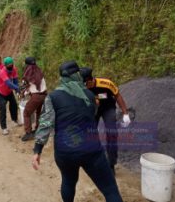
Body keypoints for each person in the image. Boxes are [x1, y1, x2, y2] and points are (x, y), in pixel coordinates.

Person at [32, 61, 123, 202]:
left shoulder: (53, 97)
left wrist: (38, 150)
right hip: (92, 150)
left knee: (68, 182)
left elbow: (45, 123)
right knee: (110, 190)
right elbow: (93, 113)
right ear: (77, 75)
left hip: (65, 152)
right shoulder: (90, 96)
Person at [80, 67, 131, 175]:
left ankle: (111, 164)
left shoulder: (106, 83)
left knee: (112, 133)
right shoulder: (81, 87)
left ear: (90, 80)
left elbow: (117, 95)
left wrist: (125, 113)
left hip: (108, 108)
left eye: (85, 84)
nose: (83, 86)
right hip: (93, 110)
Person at [21, 57, 47, 142]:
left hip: (36, 96)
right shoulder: (39, 72)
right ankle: (37, 130)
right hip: (44, 95)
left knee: (26, 112)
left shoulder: (29, 73)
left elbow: (25, 86)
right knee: (39, 113)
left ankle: (28, 133)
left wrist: (22, 93)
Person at [0, 57, 20, 135]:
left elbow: (15, 80)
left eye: (12, 64)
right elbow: (8, 83)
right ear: (6, 65)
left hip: (9, 91)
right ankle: (4, 128)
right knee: (3, 109)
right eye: (9, 64)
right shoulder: (3, 72)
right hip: (1, 92)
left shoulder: (14, 69)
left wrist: (17, 89)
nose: (11, 65)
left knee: (14, 105)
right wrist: (17, 88)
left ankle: (15, 119)